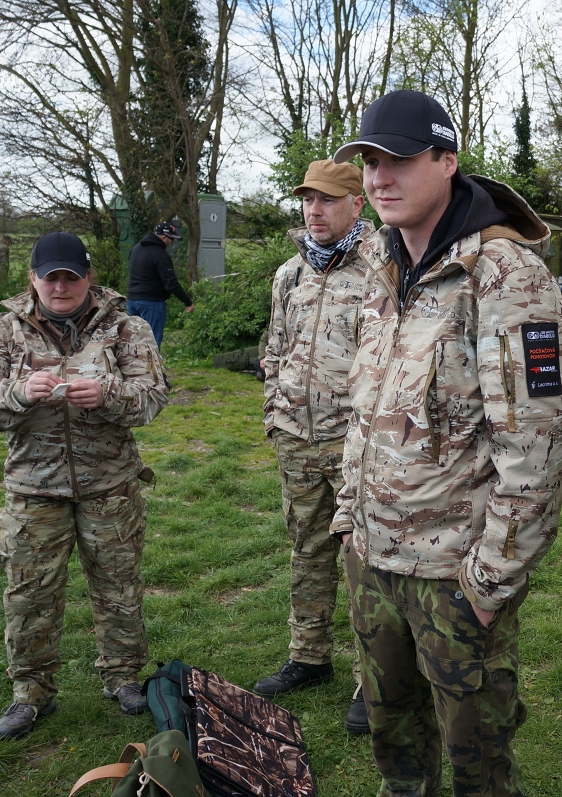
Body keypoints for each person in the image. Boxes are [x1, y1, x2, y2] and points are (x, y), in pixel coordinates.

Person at [330, 90, 562, 797]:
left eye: (399, 161)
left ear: (447, 161)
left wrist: (490, 582)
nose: (379, 178)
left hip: (454, 574)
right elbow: (368, 407)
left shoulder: (503, 274)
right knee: (394, 746)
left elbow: (537, 445)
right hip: (371, 556)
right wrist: (348, 519)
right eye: (369, 163)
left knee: (478, 764)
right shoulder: (381, 265)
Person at [0, 231, 168, 739]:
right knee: (29, 594)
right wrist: (18, 392)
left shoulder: (126, 327)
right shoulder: (3, 330)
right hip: (34, 488)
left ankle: (123, 677)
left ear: (88, 278)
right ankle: (31, 693)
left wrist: (108, 394)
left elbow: (154, 397)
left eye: (70, 277)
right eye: (50, 277)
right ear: (33, 278)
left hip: (110, 486)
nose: (60, 287)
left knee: (119, 588)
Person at [254, 159, 376, 736]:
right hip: (296, 439)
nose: (314, 210)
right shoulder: (290, 274)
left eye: (327, 199)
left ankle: (372, 677)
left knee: (364, 561)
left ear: (357, 203)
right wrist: (275, 412)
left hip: (357, 445)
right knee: (307, 550)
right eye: (307, 199)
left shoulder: (383, 268)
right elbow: (274, 349)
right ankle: (308, 655)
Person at [127, 221, 195, 347]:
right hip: (152, 303)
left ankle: (136, 361)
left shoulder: (136, 249)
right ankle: (152, 361)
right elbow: (171, 283)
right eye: (171, 239)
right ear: (163, 237)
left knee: (135, 343)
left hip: (132, 300)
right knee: (152, 343)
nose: (172, 242)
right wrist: (188, 302)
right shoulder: (160, 254)